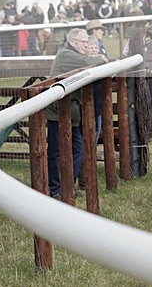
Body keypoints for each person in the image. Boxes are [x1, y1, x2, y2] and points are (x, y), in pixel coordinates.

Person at [46, 28, 107, 199]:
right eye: (84, 42)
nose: (87, 44)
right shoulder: (67, 54)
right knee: (57, 152)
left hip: (70, 113)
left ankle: (65, 187)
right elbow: (94, 62)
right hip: (57, 112)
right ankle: (56, 189)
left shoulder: (71, 53)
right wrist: (98, 57)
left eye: (88, 42)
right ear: (73, 42)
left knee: (77, 149)